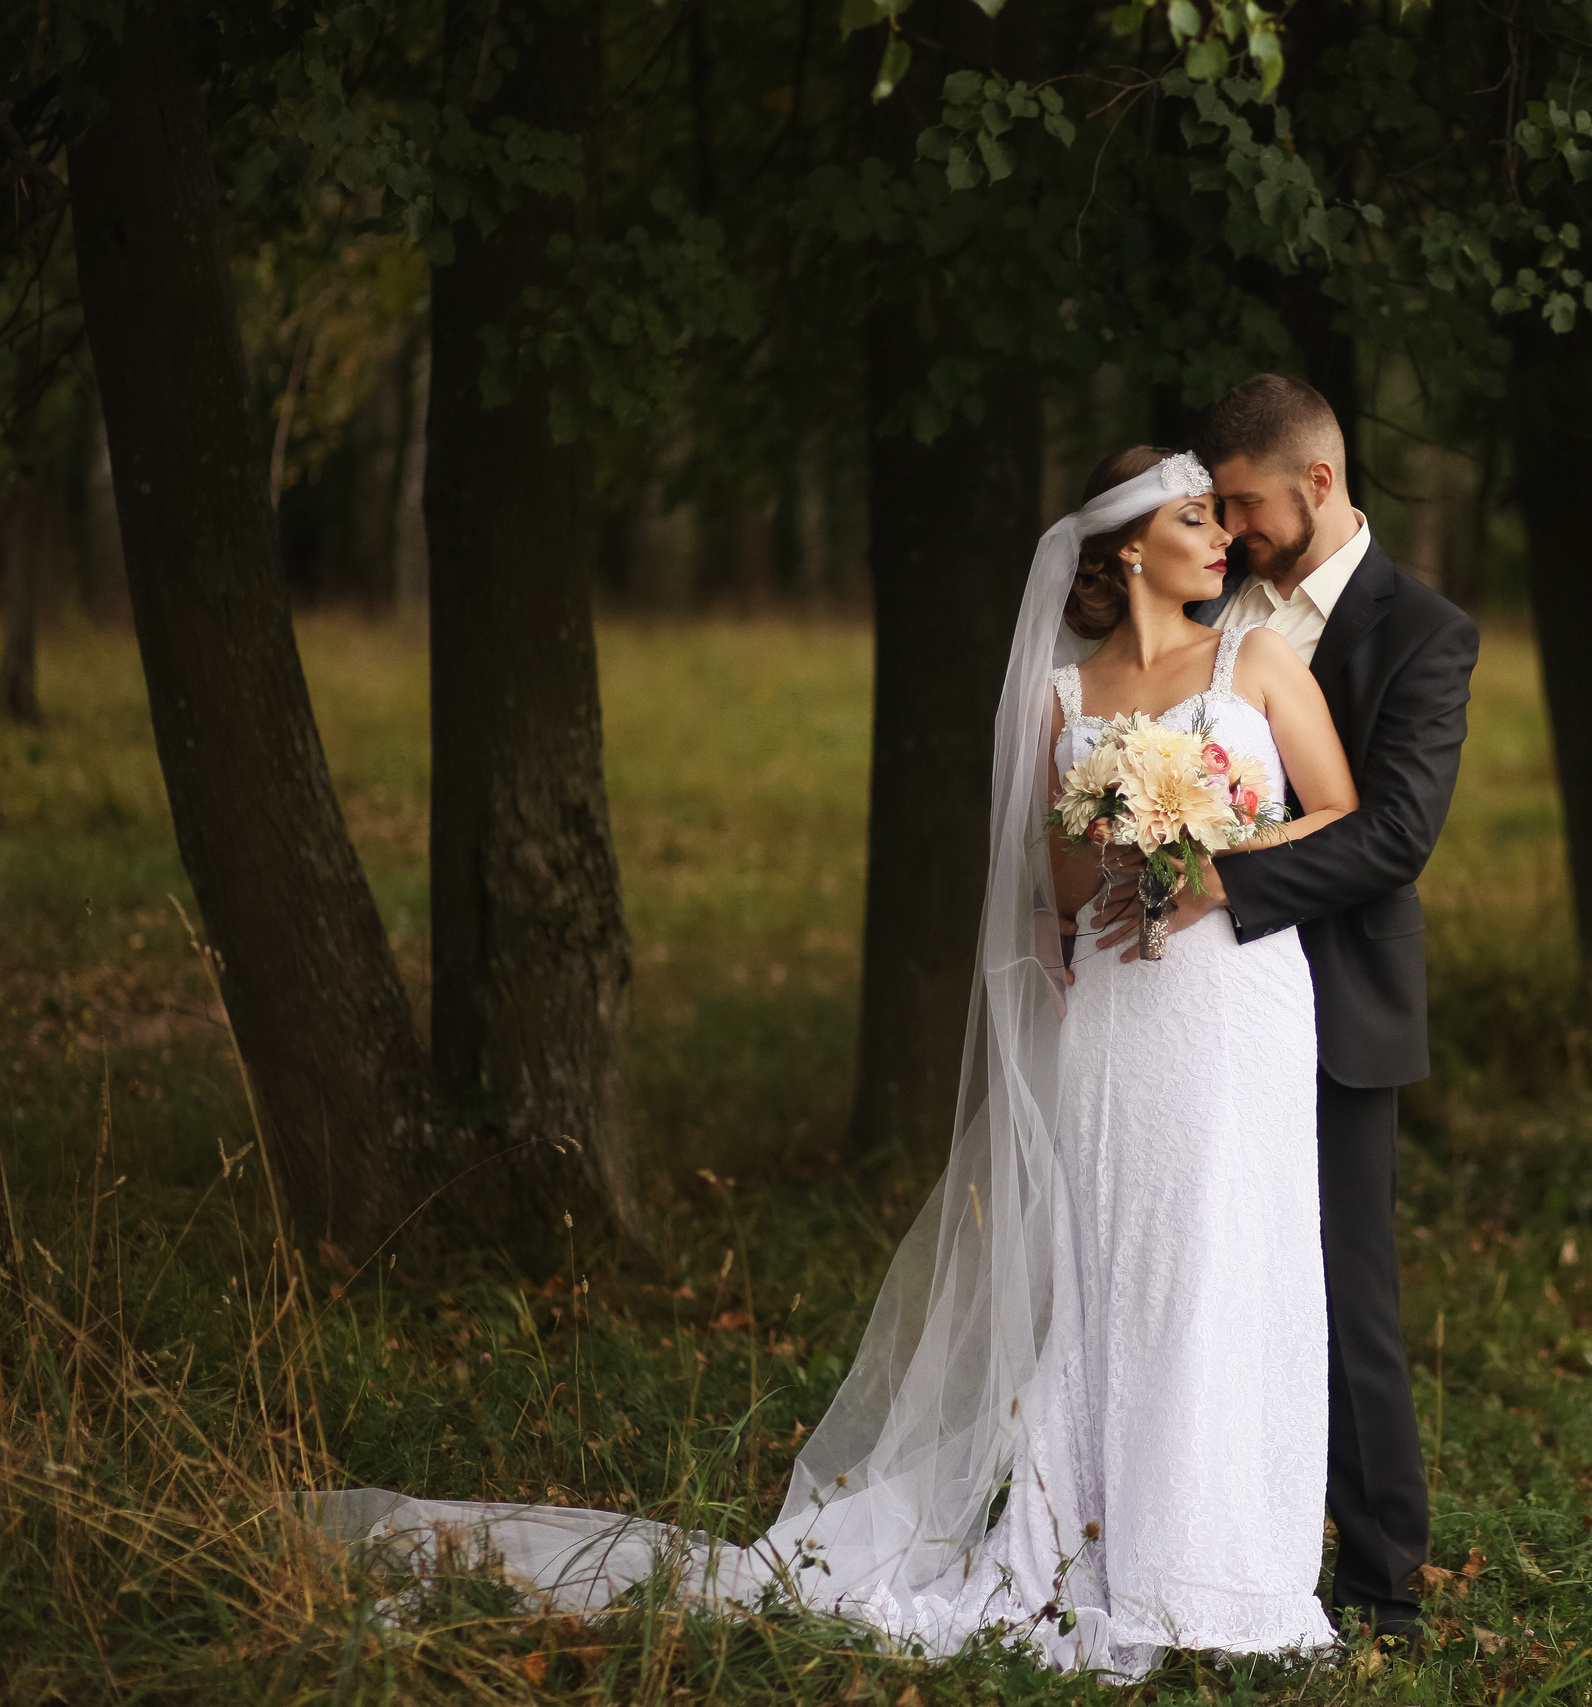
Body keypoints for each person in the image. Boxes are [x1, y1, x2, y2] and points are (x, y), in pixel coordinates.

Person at [305, 446, 1365, 1680]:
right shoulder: (1062, 702)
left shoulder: (1257, 660)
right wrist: (1123, 835)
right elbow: (1057, 893)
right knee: (1116, 1266)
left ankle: (1234, 1569)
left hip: (1233, 996)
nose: (1222, 540)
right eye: (1196, 519)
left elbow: (1338, 810)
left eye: (1221, 521)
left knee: (1232, 1256)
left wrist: (1208, 856)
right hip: (1119, 1016)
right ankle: (1111, 1551)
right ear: (1129, 545)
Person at [1088, 375, 1480, 1641]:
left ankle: (1378, 1584)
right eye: (1217, 507)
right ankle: (1182, 1533)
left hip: (1335, 995)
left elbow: (1397, 834)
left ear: (1317, 482)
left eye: (1246, 502)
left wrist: (1218, 879)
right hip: (1191, 1015)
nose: (1232, 525)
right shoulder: (1211, 598)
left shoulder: (1423, 632)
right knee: (1192, 1268)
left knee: (1342, 1284)